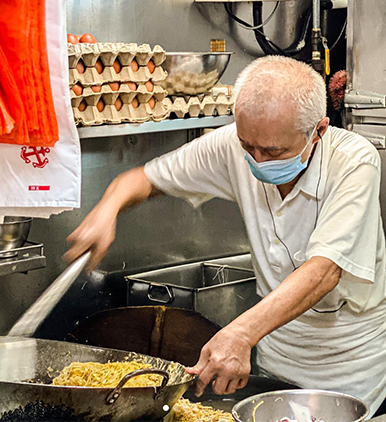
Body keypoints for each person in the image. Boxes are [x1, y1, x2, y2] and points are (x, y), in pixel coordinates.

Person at [64, 56, 386, 413]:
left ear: (319, 131)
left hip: (349, 366)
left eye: (274, 151)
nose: (259, 161)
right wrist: (107, 210)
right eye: (250, 146)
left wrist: (239, 334)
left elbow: (324, 270)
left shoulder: (355, 161)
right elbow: (144, 179)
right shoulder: (232, 145)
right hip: (276, 357)